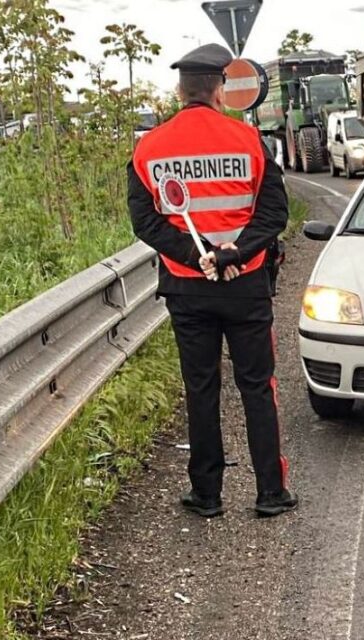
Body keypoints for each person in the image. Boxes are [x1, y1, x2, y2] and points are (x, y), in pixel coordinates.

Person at [127, 43, 298, 519]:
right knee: (257, 387)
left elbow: (144, 221)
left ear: (180, 91)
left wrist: (193, 255)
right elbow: (274, 214)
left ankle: (207, 495)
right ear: (220, 88)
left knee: (200, 389)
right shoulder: (247, 141)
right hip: (245, 286)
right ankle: (270, 492)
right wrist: (235, 253)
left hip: (187, 286)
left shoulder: (150, 147)